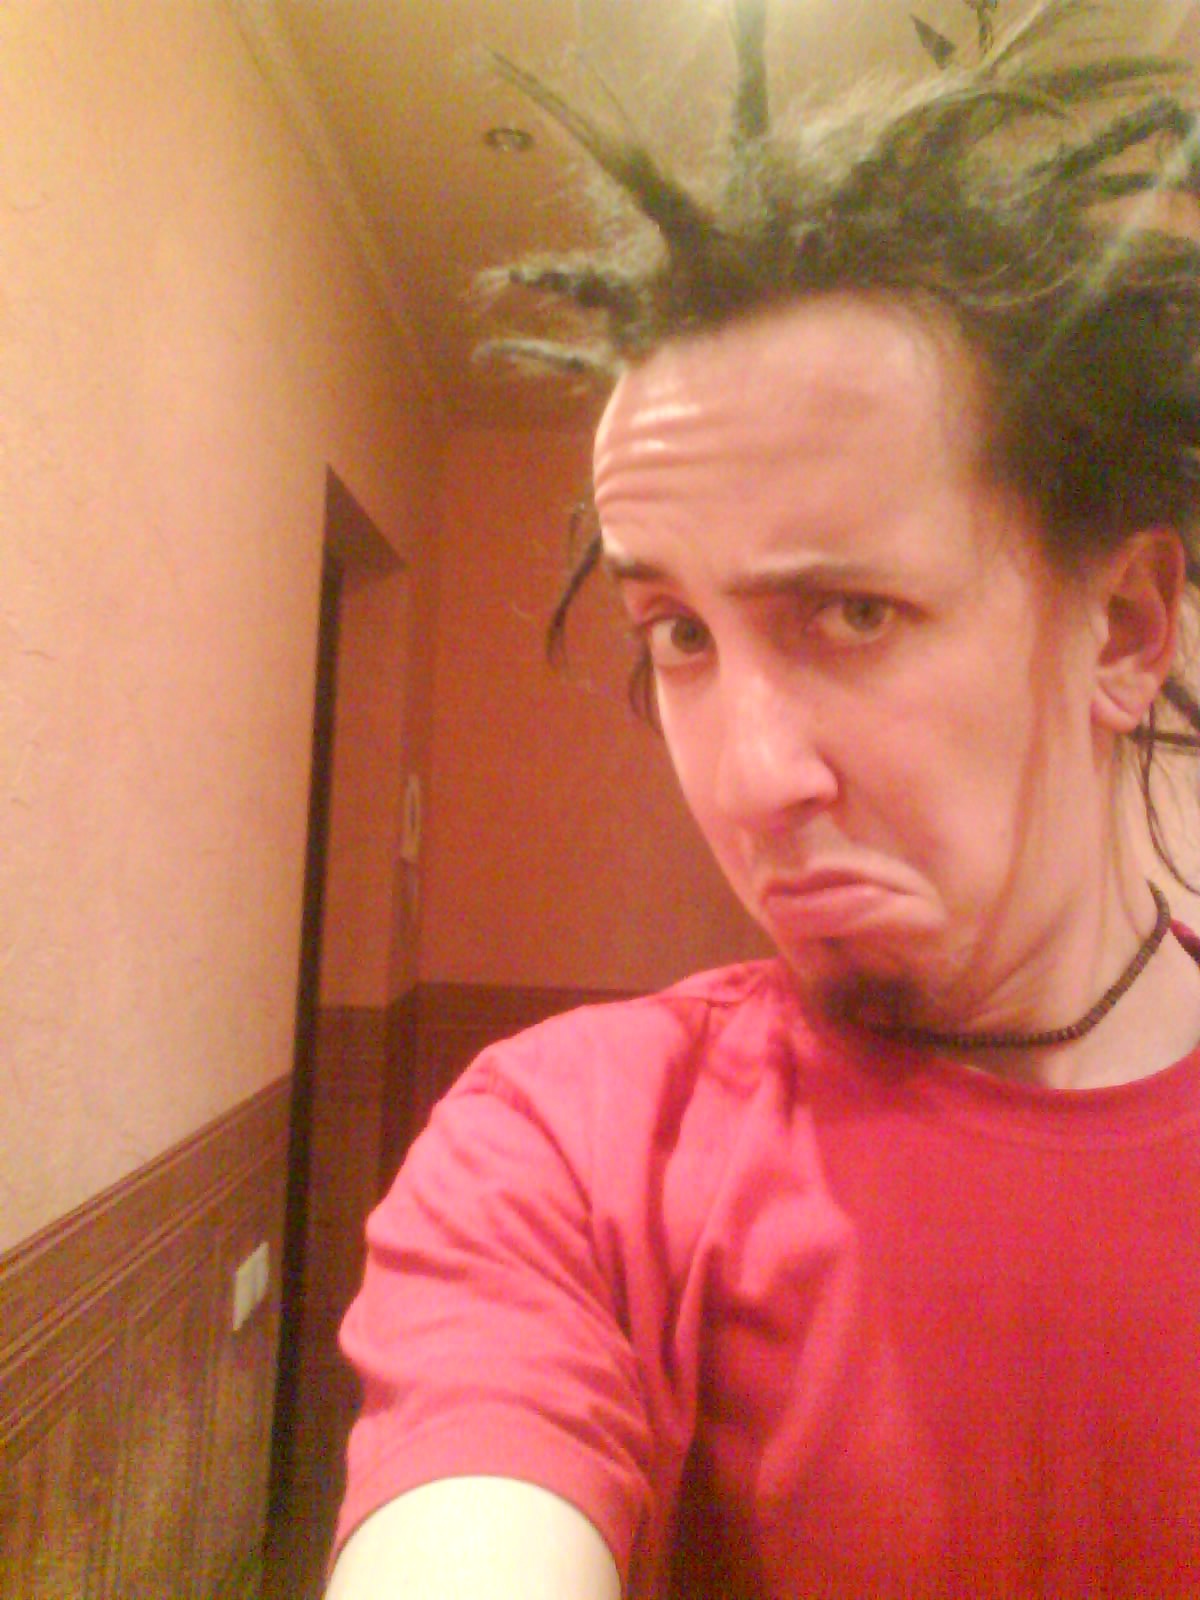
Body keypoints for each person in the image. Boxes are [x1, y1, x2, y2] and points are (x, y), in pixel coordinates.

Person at [326, 2, 1200, 1594]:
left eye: (853, 614)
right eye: (679, 635)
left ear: (1128, 628)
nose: (747, 783)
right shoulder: (568, 1151)